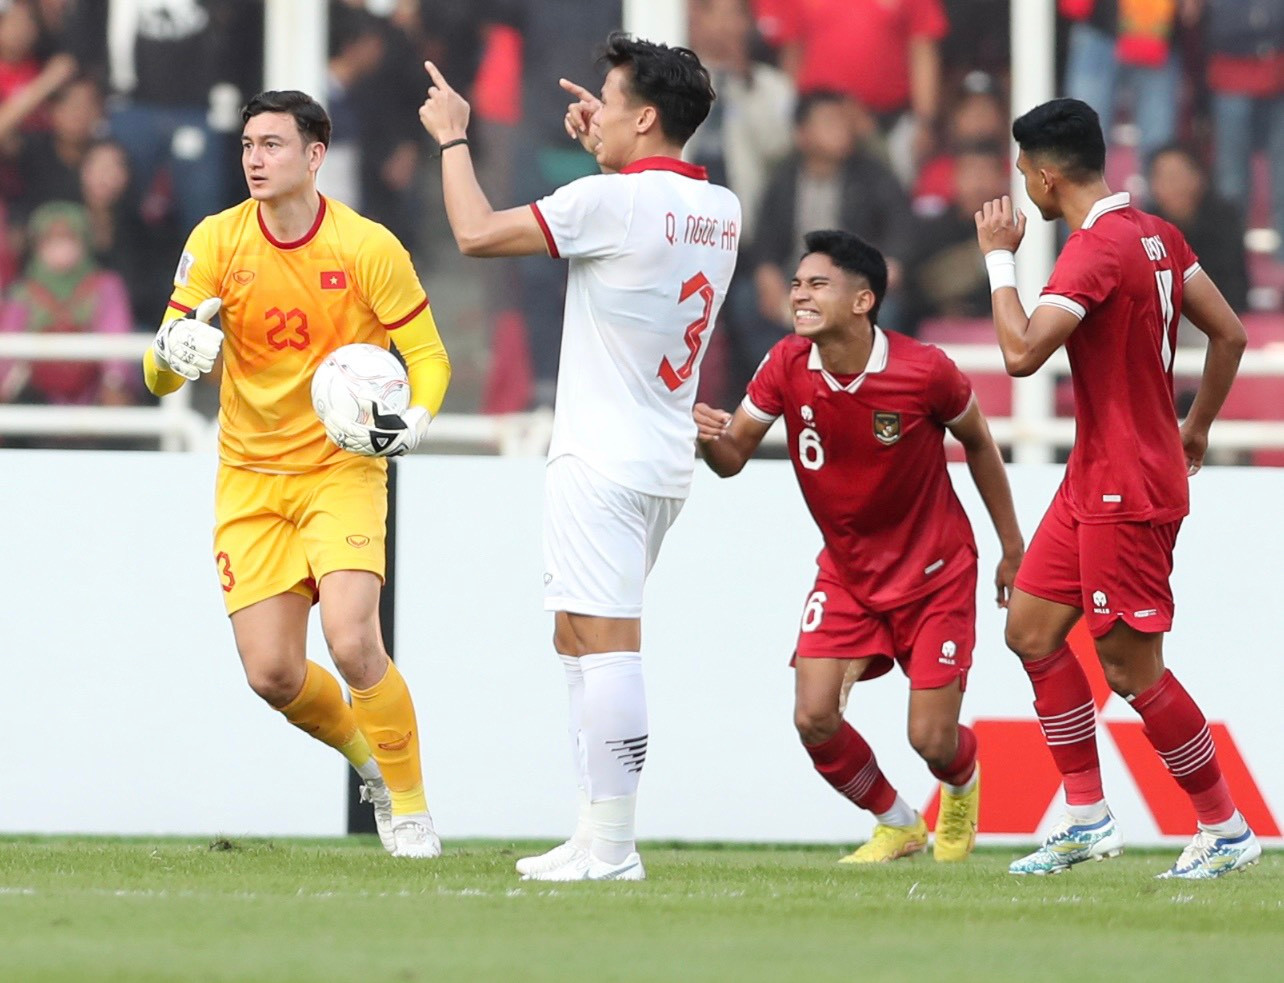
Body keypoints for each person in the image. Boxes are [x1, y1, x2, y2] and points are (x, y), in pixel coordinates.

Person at [418, 33, 740, 880]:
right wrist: (611, 139)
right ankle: (594, 831)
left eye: (609, 97)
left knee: (607, 646)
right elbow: (646, 203)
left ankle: (618, 846)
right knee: (579, 637)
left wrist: (455, 136)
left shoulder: (608, 202)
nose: (592, 109)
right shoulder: (722, 209)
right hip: (662, 453)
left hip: (601, 455)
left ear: (644, 115)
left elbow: (478, 233)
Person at [141, 89, 451, 858]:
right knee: (273, 674)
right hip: (249, 476)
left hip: (341, 468)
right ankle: (370, 762)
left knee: (351, 641)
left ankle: (410, 808)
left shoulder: (366, 246)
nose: (255, 157)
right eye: (249, 143)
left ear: (315, 157)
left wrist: (417, 417)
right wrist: (166, 359)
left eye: (273, 144)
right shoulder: (216, 241)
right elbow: (159, 372)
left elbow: (429, 358)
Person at [975, 97, 1259, 879]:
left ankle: (1227, 827)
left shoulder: (1094, 250)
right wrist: (1193, 426)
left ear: (1045, 175)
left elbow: (1021, 353)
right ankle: (1088, 817)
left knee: (1133, 670)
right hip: (1098, 474)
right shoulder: (1158, 236)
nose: (1023, 189)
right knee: (1030, 629)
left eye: (1024, 174)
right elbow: (1230, 333)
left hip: (1125, 488)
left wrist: (1000, 259)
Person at [694, 229, 1023, 863]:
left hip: (935, 571)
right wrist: (709, 439)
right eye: (796, 283)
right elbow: (733, 457)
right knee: (813, 717)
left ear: (863, 300)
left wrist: (1011, 546)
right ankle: (898, 823)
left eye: (818, 284)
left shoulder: (925, 371)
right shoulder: (785, 364)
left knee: (930, 739)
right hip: (847, 573)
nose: (799, 295)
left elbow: (980, 444)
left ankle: (962, 781)